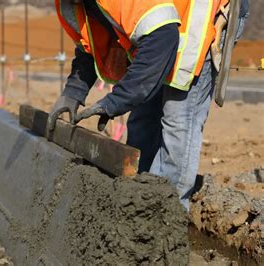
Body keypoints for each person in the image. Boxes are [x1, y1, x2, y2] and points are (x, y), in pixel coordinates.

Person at [48, 0, 249, 211]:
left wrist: (118, 100)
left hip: (203, 15)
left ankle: (167, 216)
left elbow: (163, 37)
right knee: (143, 119)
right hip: (162, 28)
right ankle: (137, 200)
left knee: (178, 119)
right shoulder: (70, 4)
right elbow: (92, 41)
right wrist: (73, 91)